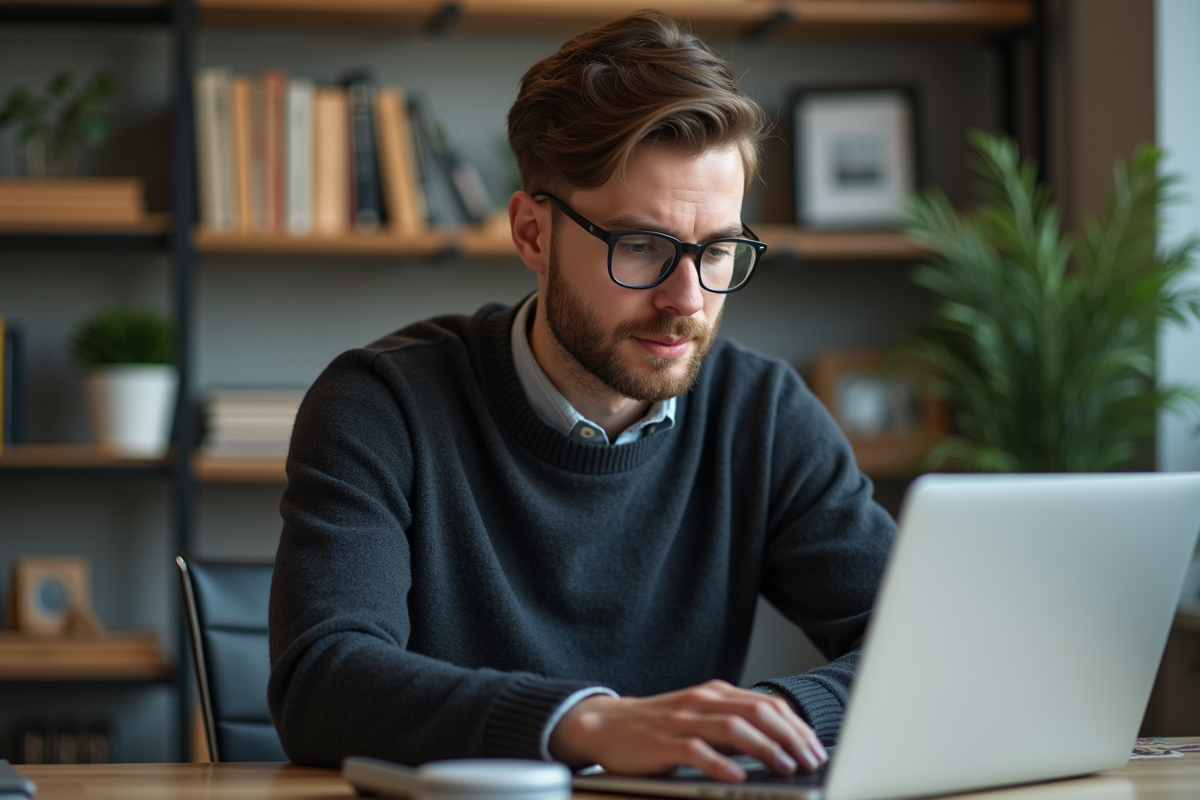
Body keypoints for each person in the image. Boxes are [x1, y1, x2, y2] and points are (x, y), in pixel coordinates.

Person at [267, 9, 894, 783]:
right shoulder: (381, 405)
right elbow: (322, 683)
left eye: (719, 250)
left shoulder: (762, 413)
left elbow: (917, 643)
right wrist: (587, 723)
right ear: (532, 234)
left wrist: (769, 723)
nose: (687, 300)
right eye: (641, 247)